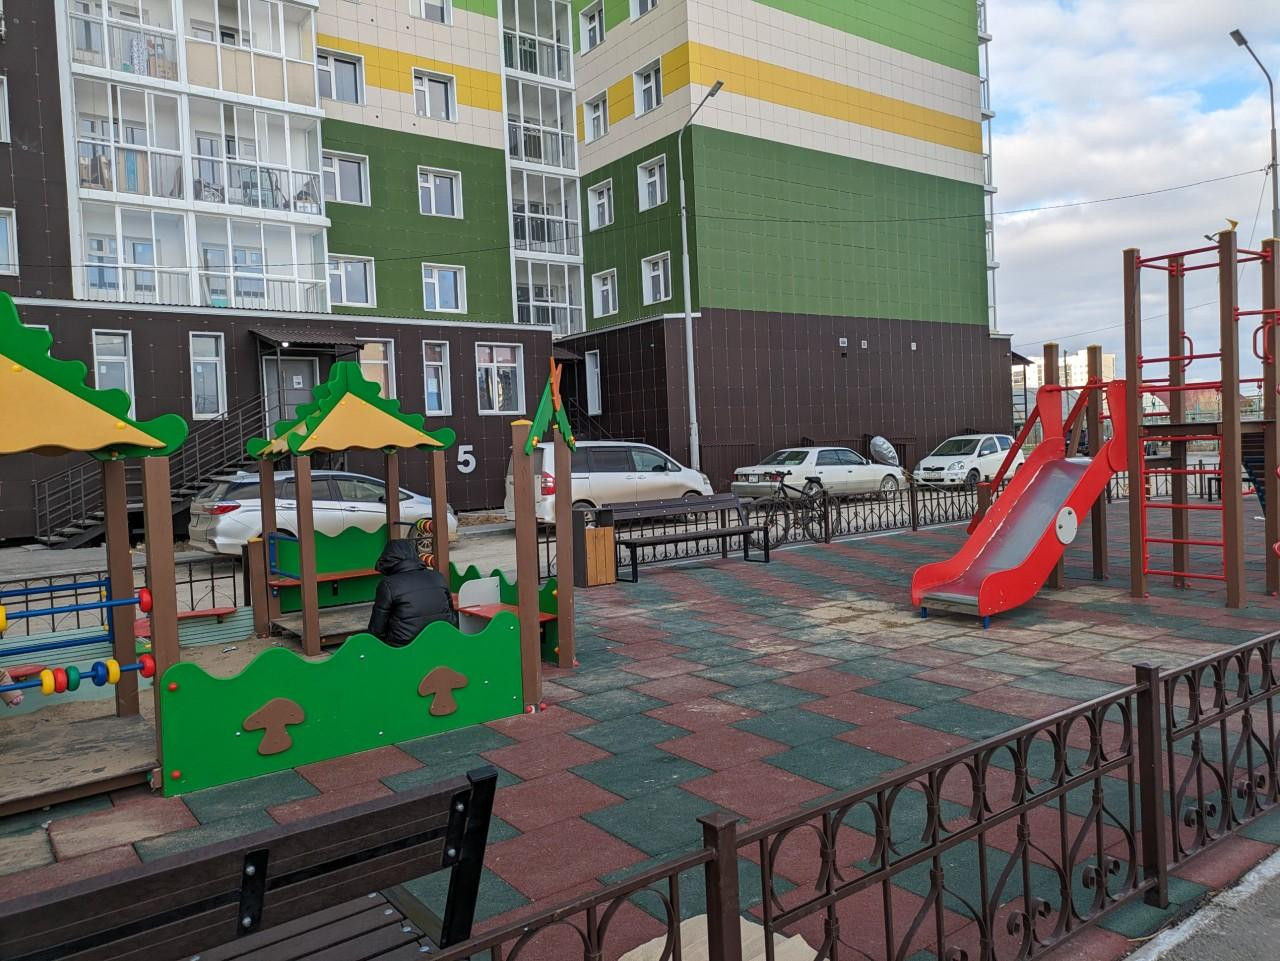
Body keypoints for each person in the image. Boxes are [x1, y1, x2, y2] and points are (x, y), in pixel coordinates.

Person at [367, 539, 457, 646]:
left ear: (388, 559)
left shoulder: (388, 584)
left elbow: (376, 629)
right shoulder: (438, 577)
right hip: (442, 640)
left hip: (404, 647)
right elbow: (451, 614)